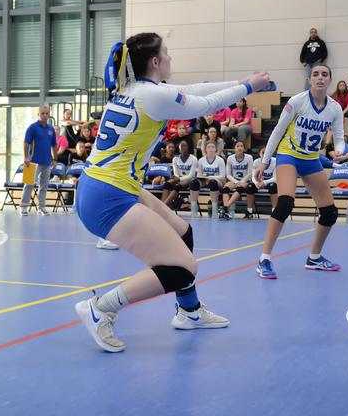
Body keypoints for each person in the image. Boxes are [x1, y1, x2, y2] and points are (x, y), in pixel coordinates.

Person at [74, 32, 271, 352]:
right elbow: (204, 104)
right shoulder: (152, 96)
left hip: (105, 186)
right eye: (166, 53)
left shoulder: (138, 89)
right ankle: (101, 307)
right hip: (108, 195)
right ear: (155, 62)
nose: (170, 57)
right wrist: (247, 88)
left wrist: (239, 81)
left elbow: (191, 91)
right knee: (182, 268)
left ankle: (189, 312)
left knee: (183, 232)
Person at [254, 64, 345, 279]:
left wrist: (339, 151)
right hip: (289, 155)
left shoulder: (335, 108)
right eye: (315, 74)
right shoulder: (297, 101)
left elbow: (339, 138)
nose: (320, 78)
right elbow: (278, 131)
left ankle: (314, 258)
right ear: (310, 79)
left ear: (330, 80)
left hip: (311, 160)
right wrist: (265, 162)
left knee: (330, 212)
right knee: (285, 203)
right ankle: (264, 259)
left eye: (324, 75)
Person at [18, 106, 58, 216]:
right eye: (42, 113)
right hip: (33, 162)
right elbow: (26, 142)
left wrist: (55, 159)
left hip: (47, 162)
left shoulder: (51, 129)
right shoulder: (32, 128)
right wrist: (26, 157)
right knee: (29, 184)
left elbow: (54, 145)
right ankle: (24, 207)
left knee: (44, 186)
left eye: (46, 113)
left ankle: (41, 207)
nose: (45, 115)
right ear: (38, 114)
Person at [220, 140, 256, 220]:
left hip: (246, 180)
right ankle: (226, 209)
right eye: (237, 146)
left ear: (244, 148)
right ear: (234, 148)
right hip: (234, 180)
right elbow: (228, 174)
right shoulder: (230, 158)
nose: (239, 148)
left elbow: (250, 173)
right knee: (225, 188)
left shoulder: (249, 157)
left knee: (240, 188)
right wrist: (236, 182)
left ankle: (225, 207)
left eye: (241, 146)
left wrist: (242, 182)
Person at [164, 140, 198, 216]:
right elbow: (176, 173)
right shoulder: (175, 159)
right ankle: (164, 207)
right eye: (181, 146)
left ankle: (164, 205)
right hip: (178, 178)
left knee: (177, 185)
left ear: (188, 147)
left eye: (184, 145)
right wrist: (176, 177)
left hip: (190, 180)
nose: (182, 147)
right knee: (167, 184)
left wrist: (179, 179)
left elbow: (192, 175)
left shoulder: (193, 159)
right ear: (178, 148)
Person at [194, 140, 227, 218]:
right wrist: (202, 176)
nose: (211, 149)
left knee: (212, 182)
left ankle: (214, 206)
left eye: (212, 147)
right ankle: (194, 206)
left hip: (218, 181)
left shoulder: (220, 160)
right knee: (194, 183)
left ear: (216, 149)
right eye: (208, 147)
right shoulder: (201, 160)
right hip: (205, 181)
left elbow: (222, 176)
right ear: (205, 149)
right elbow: (199, 174)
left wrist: (210, 177)